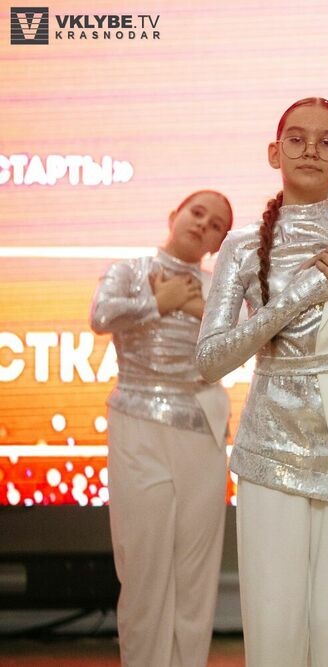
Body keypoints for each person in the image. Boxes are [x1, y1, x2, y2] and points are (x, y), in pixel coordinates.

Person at [197, 97, 328, 667]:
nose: (311, 150)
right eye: (296, 138)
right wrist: (291, 301)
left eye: (327, 142)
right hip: (270, 447)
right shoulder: (243, 245)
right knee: (274, 627)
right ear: (275, 152)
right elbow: (209, 360)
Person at [90, 190, 233, 667]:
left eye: (215, 225)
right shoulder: (129, 270)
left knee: (195, 571)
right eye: (197, 212)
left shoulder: (218, 290)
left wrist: (199, 312)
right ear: (174, 215)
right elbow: (101, 316)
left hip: (202, 431)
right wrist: (157, 301)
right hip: (138, 426)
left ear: (217, 244)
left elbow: (242, 344)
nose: (202, 224)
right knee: (144, 565)